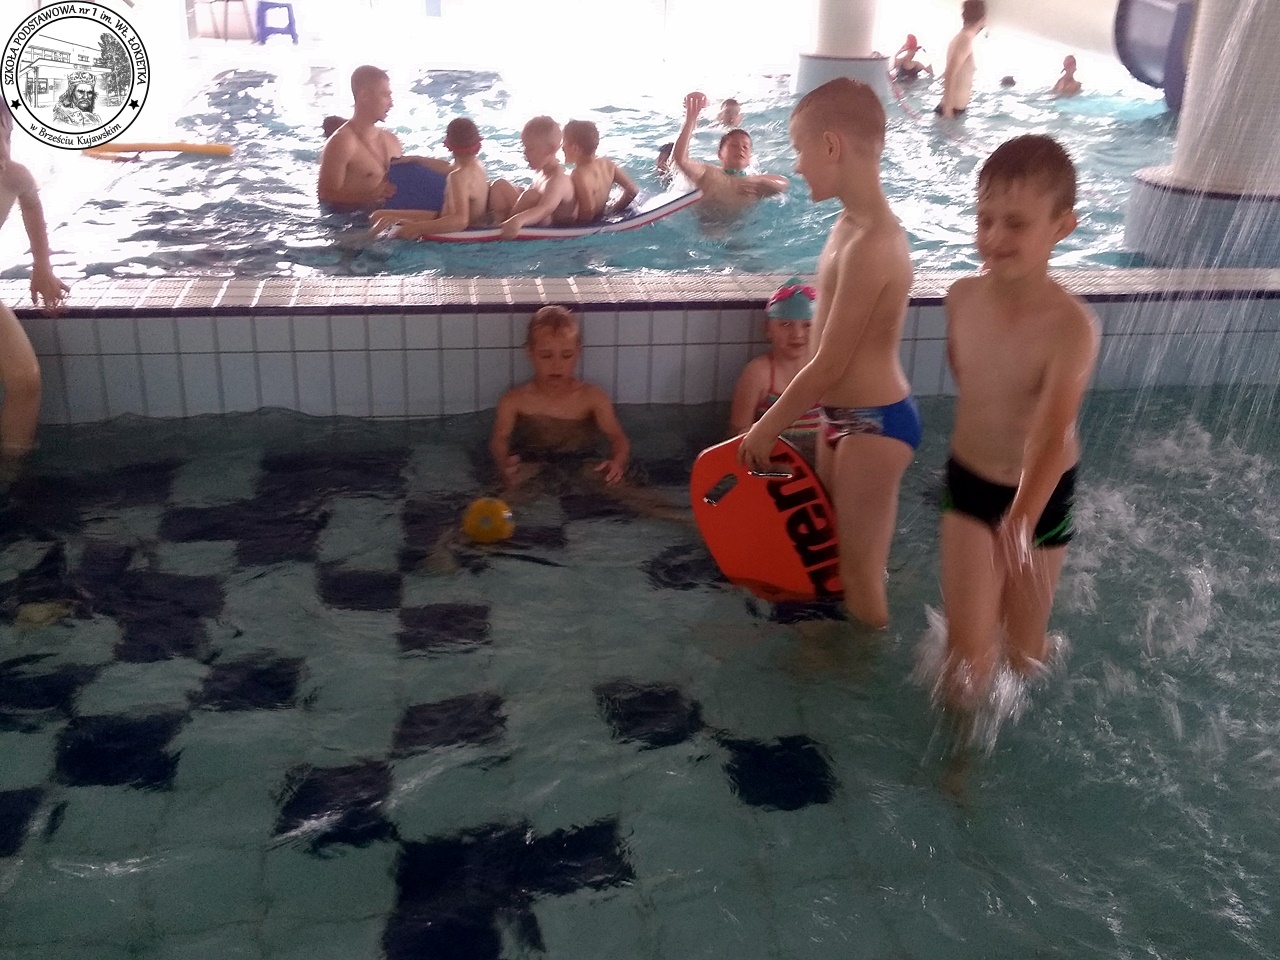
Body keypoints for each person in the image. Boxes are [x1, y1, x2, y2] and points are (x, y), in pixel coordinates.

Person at [738, 78, 920, 629]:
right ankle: (843, 647)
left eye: (800, 149)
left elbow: (830, 364)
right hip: (838, 417)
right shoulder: (846, 225)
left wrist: (765, 428)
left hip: (875, 423)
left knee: (861, 575)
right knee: (837, 561)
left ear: (832, 145)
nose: (796, 165)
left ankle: (868, 670)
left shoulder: (874, 244)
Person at [935, 134, 1099, 709]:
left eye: (1015, 223)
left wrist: (1023, 520)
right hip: (971, 484)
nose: (994, 237)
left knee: (1023, 655)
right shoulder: (960, 298)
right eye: (984, 220)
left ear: (1062, 227)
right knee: (967, 662)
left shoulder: (1070, 327)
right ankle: (959, 758)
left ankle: (1031, 666)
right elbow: (969, 379)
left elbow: (1053, 436)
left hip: (1044, 496)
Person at [490, 305, 630, 491]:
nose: (556, 365)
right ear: (529, 352)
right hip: (533, 463)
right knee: (509, 488)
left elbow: (617, 437)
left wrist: (617, 463)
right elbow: (499, 439)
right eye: (546, 356)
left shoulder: (592, 397)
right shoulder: (514, 400)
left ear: (578, 352)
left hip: (582, 462)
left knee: (619, 486)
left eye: (566, 355)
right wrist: (504, 465)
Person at [0, 107, 69, 478]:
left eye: (4, 136)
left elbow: (31, 204)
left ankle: (10, 477)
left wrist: (42, 266)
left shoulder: (14, 176)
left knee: (25, 380)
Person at [317, 65, 450, 211]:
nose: (391, 103)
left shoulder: (392, 140)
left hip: (386, 216)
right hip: (352, 221)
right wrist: (369, 196)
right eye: (385, 95)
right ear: (364, 96)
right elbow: (325, 195)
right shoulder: (342, 142)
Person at [727, 278, 823, 463]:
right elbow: (736, 435)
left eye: (807, 325)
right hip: (772, 465)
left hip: (817, 465)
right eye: (785, 324)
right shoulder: (759, 374)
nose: (797, 334)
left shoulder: (826, 371)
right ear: (768, 329)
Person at [370, 117, 491, 238]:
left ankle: (363, 242)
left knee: (381, 222)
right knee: (378, 215)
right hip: (444, 218)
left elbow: (461, 221)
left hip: (450, 227)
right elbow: (447, 167)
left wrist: (414, 227)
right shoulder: (475, 165)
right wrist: (417, 159)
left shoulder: (457, 177)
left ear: (448, 145)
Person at [672, 91, 788, 216]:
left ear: (750, 158)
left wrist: (757, 181)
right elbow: (680, 159)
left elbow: (783, 183)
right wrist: (690, 120)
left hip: (744, 226)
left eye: (745, 147)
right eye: (734, 145)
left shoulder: (753, 184)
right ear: (720, 154)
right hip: (709, 224)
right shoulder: (708, 174)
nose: (740, 149)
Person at [488, 116, 576, 240]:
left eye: (530, 149)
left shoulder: (558, 180)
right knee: (500, 185)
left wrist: (518, 220)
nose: (524, 153)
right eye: (524, 147)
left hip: (550, 226)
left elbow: (544, 209)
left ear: (550, 149)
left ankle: (503, 228)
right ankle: (497, 224)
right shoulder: (540, 171)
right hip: (531, 218)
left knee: (531, 196)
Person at [561, 120, 639, 223]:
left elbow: (588, 211)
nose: (562, 147)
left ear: (575, 148)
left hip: (590, 224)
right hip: (603, 216)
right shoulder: (608, 164)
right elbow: (633, 190)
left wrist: (576, 226)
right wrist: (613, 211)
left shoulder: (579, 174)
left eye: (564, 141)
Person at [937, 0, 986, 118]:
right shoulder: (965, 39)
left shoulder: (962, 37)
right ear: (983, 18)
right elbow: (949, 73)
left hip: (953, 110)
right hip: (951, 111)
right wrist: (948, 109)